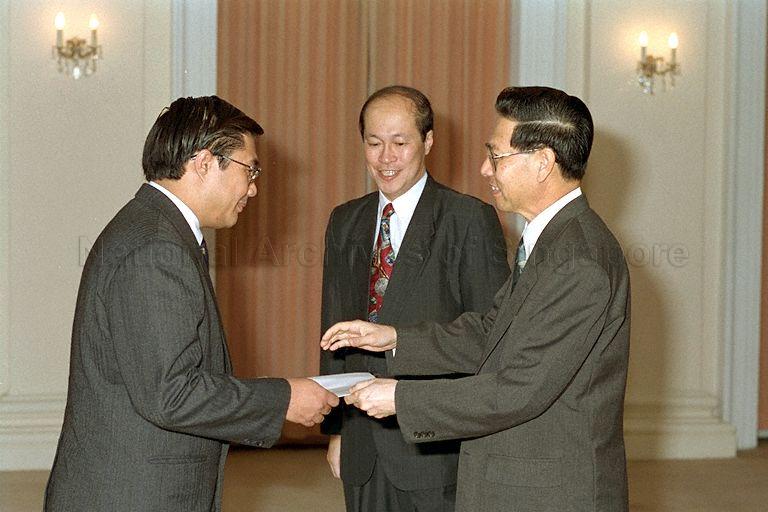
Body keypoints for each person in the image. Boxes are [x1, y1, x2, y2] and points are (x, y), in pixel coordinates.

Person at [322, 86, 631, 512]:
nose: (485, 169)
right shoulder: (553, 241)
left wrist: (399, 398)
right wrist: (394, 338)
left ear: (543, 162)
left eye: (496, 156)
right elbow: (490, 332)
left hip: (548, 491)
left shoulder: (578, 261)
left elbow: (518, 388)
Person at [45, 96, 339, 512]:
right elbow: (171, 393)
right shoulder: (154, 247)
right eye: (249, 170)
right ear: (204, 162)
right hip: (134, 495)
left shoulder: (156, 230)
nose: (253, 188)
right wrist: (284, 399)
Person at [319, 85, 510, 512]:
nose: (386, 157)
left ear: (428, 141)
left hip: (434, 449)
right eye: (374, 143)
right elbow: (333, 332)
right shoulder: (345, 220)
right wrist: (337, 430)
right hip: (362, 448)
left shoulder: (468, 219)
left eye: (400, 143)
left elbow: (491, 335)